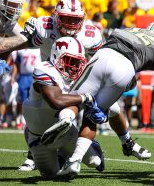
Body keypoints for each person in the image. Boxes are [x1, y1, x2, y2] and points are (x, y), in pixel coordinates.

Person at [57, 21, 154, 177]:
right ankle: (74, 161)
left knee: (75, 99)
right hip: (124, 68)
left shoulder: (132, 29)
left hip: (103, 55)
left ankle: (65, 120)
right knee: (92, 115)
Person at [22, 36, 104, 179]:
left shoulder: (79, 75)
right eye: (70, 61)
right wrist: (85, 98)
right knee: (50, 176)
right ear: (55, 56)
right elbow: (56, 101)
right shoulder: (44, 69)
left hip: (66, 133)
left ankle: (90, 147)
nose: (74, 67)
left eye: (78, 62)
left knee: (94, 161)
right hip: (39, 139)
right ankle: (61, 157)